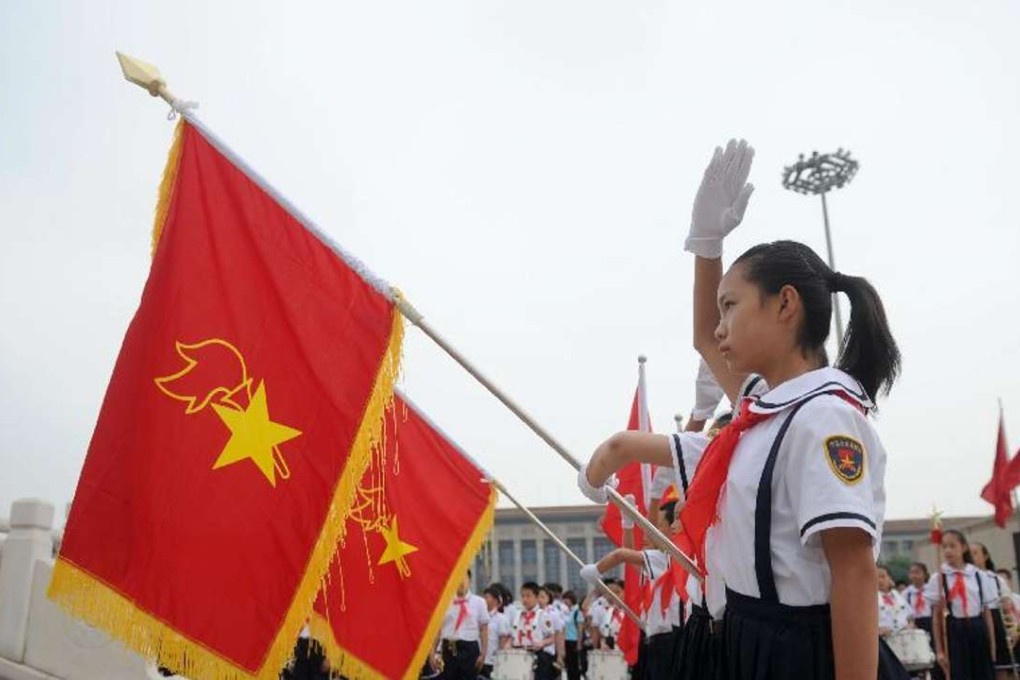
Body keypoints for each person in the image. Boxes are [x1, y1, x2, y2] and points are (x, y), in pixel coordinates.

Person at [581, 139, 909, 680]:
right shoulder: (765, 412)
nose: (720, 326)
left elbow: (852, 572)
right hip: (749, 636)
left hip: (801, 645)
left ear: (785, 304)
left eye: (731, 306)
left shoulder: (823, 417)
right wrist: (706, 242)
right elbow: (704, 341)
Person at [580, 489, 683, 679]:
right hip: (656, 638)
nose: (655, 533)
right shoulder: (664, 559)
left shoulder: (669, 558)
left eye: (659, 527)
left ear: (673, 528)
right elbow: (630, 560)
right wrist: (627, 523)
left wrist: (597, 570)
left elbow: (622, 555)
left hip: (669, 638)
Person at [925, 529, 996, 680]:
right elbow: (936, 618)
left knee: (982, 674)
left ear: (963, 548)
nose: (948, 551)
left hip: (977, 628)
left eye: (952, 546)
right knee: (959, 674)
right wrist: (939, 650)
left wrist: (992, 644)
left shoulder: (978, 575)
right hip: (953, 629)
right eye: (944, 547)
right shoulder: (939, 578)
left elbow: (987, 614)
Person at [973, 543, 1016, 678]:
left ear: (985, 556)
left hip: (996, 620)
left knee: (1000, 666)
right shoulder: (965, 579)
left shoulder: (996, 579)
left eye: (975, 553)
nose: (971, 557)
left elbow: (1007, 607)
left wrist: (1013, 630)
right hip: (976, 620)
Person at [438, 571, 489, 680]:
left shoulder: (479, 602)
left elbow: (484, 629)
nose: (461, 583)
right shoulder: (444, 601)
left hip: (469, 648)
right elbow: (438, 629)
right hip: (449, 647)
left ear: (469, 581)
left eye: (463, 579)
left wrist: (483, 654)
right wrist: (433, 652)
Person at [512, 582, 558, 679]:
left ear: (537, 598)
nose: (525, 599)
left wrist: (542, 643)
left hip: (537, 655)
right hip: (519, 654)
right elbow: (513, 634)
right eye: (523, 596)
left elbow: (552, 637)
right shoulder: (518, 615)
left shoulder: (543, 615)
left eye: (528, 596)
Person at [481, 585, 511, 678]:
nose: (484, 600)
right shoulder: (480, 617)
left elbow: (503, 641)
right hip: (479, 659)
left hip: (492, 661)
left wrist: (501, 660)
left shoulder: (501, 619)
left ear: (496, 600)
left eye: (487, 597)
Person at [878, 564, 911, 638]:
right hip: (882, 638)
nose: (880, 580)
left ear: (889, 578)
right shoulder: (871, 598)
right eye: (876, 577)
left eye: (883, 577)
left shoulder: (898, 596)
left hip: (902, 636)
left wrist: (910, 626)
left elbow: (910, 617)